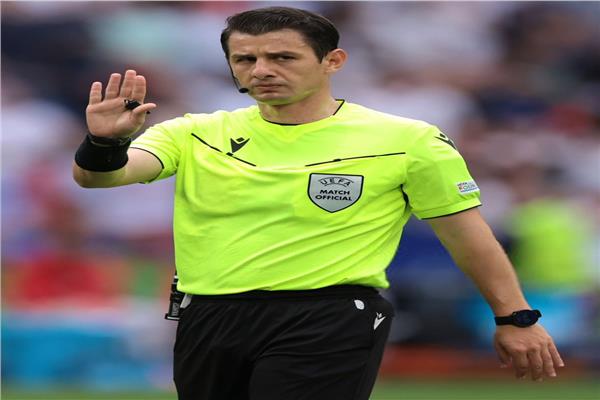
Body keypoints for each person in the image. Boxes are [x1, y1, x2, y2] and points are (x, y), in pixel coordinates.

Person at [73, 6, 564, 400]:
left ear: (333, 61)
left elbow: (466, 234)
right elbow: (100, 177)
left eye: (282, 57)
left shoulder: (407, 141)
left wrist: (515, 316)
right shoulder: (195, 132)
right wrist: (104, 142)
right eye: (245, 60)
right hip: (208, 316)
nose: (261, 70)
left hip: (328, 315)